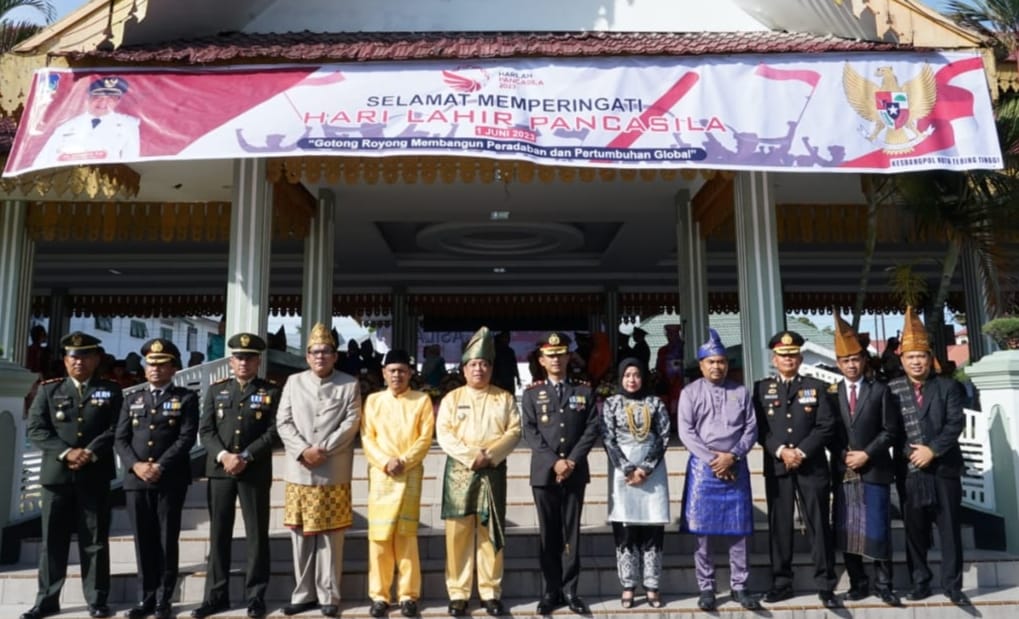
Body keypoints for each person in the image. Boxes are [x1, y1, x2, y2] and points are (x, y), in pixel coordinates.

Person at [21, 332, 123, 619]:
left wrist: (89, 452)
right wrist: (67, 453)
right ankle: (46, 600)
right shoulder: (49, 390)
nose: (79, 362)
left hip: (94, 475)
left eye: (85, 356)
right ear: (65, 361)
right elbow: (37, 429)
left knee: (95, 541)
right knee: (52, 541)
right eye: (73, 357)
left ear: (96, 359)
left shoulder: (111, 391)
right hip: (57, 478)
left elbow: (116, 428)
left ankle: (97, 600)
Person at [191, 334, 280, 619]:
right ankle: (216, 596)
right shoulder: (217, 390)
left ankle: (256, 596)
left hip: (253, 470)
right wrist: (224, 456)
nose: (244, 363)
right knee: (219, 534)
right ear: (231, 361)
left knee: (256, 535)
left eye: (250, 358)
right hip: (220, 471)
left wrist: (246, 456)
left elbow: (273, 431)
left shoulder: (270, 391)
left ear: (258, 361)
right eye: (239, 358)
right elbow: (205, 431)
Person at [276, 323, 361, 617]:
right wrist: (302, 450)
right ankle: (303, 594)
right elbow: (283, 421)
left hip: (332, 469)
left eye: (326, 351)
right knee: (300, 535)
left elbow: (351, 424)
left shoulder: (349, 384)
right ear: (307, 356)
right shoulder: (293, 382)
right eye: (314, 352)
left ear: (335, 356)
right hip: (299, 471)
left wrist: (322, 448)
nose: (320, 356)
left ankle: (329, 596)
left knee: (331, 536)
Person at [435, 326, 521, 617]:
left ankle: (490, 591)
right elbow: (444, 434)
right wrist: (472, 456)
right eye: (474, 364)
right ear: (463, 368)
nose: (479, 369)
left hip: (493, 470)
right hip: (460, 472)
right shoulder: (452, 399)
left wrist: (491, 455)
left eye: (484, 364)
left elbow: (515, 431)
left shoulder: (504, 398)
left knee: (490, 532)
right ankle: (458, 593)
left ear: (491, 368)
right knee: (457, 533)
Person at [115, 338, 200, 619]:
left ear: (173, 368)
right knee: (143, 539)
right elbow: (121, 438)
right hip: (136, 480)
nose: (155, 369)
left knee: (166, 538)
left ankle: (165, 598)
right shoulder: (132, 399)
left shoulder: (186, 398)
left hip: (169, 479)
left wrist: (160, 466)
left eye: (162, 364)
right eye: (151, 364)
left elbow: (187, 437)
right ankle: (146, 598)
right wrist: (136, 466)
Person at [677, 328, 761, 611]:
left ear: (728, 364)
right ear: (701, 365)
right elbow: (686, 432)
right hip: (704, 468)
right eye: (710, 362)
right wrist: (714, 460)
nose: (716, 366)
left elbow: (751, 428)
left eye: (721, 361)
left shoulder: (741, 391)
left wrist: (733, 456)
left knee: (739, 529)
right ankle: (707, 587)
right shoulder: (690, 393)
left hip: (735, 465)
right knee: (702, 532)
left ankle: (740, 585)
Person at [753, 330, 838, 608]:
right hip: (778, 465)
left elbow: (826, 425)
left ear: (800, 357)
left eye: (792, 355)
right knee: (780, 525)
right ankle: (781, 581)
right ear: (773, 359)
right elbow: (759, 429)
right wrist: (781, 451)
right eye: (782, 356)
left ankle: (825, 583)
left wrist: (800, 452)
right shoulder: (761, 389)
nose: (788, 359)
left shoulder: (817, 386)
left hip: (810, 465)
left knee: (818, 524)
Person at [890, 307, 969, 605]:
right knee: (915, 530)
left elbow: (955, 424)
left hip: (944, 469)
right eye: (910, 357)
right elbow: (890, 430)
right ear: (902, 360)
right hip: (910, 470)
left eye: (920, 356)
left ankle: (952, 585)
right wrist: (910, 453)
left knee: (949, 529)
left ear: (929, 357)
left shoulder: (949, 387)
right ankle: (920, 581)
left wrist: (932, 450)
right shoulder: (892, 390)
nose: (916, 361)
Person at [520, 332, 600, 616]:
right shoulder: (531, 395)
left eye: (561, 354)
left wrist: (572, 461)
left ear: (569, 357)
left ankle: (570, 590)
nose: (556, 359)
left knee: (571, 533)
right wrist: (555, 462)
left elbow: (592, 428)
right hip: (544, 474)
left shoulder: (584, 391)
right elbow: (530, 432)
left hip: (575, 473)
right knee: (548, 534)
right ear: (542, 360)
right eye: (550, 355)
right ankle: (550, 590)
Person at [829, 313, 902, 607]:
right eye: (845, 360)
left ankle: (884, 584)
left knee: (877, 526)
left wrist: (867, 453)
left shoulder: (880, 391)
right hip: (844, 469)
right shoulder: (830, 394)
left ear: (864, 360)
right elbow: (827, 430)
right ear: (838, 363)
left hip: (874, 468)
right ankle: (858, 583)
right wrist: (843, 454)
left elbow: (891, 430)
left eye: (856, 359)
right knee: (849, 528)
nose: (851, 365)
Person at [361, 349, 435, 619]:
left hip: (409, 473)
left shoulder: (422, 400)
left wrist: (403, 460)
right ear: (383, 373)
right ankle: (379, 596)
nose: (397, 375)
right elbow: (367, 437)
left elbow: (425, 438)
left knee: (406, 536)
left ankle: (408, 595)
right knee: (379, 539)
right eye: (391, 370)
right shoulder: (372, 401)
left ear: (410, 373)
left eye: (402, 370)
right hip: (382, 475)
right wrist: (384, 462)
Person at [601, 358, 670, 609]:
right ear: (620, 378)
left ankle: (652, 585)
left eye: (637, 375)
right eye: (627, 375)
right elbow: (608, 438)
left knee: (652, 527)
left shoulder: (655, 403)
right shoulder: (611, 403)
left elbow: (663, 436)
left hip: (652, 470)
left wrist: (646, 468)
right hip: (623, 471)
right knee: (626, 528)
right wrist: (629, 468)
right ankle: (628, 585)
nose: (632, 380)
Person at [36, 76, 140, 167]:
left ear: (118, 101)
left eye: (110, 98)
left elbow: (131, 160)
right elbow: (42, 161)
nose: (103, 102)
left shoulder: (128, 124)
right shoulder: (66, 126)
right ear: (88, 98)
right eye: (97, 96)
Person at [655, 324, 685, 427]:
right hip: (665, 382)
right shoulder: (662, 350)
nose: (670, 336)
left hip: (680, 381)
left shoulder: (684, 348)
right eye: (668, 334)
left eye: (673, 334)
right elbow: (658, 367)